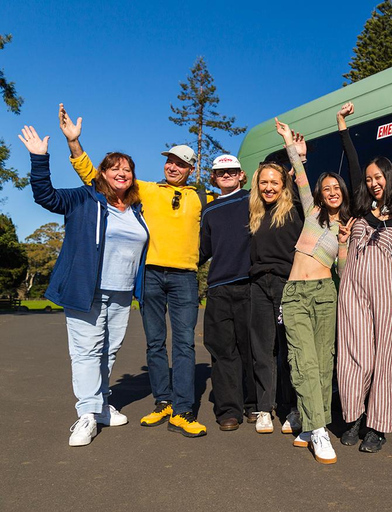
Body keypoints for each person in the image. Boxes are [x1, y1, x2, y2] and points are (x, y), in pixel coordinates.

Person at [59, 104, 210, 438]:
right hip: (151, 275)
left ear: (190, 168)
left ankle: (183, 410)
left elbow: (235, 209)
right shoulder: (146, 190)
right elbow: (98, 178)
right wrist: (74, 144)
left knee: (184, 343)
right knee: (155, 343)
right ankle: (163, 403)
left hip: (185, 277)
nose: (173, 166)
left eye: (181, 163)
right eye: (170, 160)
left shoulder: (202, 197)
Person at [22, 125, 149, 446]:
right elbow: (45, 196)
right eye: (115, 168)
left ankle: (101, 404)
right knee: (86, 351)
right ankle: (87, 414)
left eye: (128, 169)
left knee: (110, 349)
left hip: (121, 293)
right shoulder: (84, 198)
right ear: (102, 174)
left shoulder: (136, 209)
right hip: (85, 288)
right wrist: (39, 158)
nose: (123, 173)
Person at [276, 118, 352, 464]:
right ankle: (320, 432)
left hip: (325, 293)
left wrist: (344, 243)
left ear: (344, 193)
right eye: (328, 188)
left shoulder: (346, 226)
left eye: (337, 187)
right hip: (295, 294)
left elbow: (343, 271)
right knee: (302, 360)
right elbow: (300, 175)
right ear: (321, 193)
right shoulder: (312, 213)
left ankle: (310, 424)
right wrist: (291, 145)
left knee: (323, 364)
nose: (332, 191)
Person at [334, 102, 392, 453]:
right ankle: (351, 418)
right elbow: (351, 163)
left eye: (378, 177)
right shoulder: (361, 212)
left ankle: (377, 427)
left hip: (386, 293)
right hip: (353, 290)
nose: (372, 183)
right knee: (355, 355)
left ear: (389, 178)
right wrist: (342, 126)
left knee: (385, 358)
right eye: (368, 179)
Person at [248, 143, 304, 435]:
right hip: (259, 286)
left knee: (289, 351)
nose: (269, 187)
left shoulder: (294, 211)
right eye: (264, 182)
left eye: (274, 182)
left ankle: (292, 408)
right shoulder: (255, 214)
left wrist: (299, 158)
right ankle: (264, 409)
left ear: (284, 186)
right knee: (263, 350)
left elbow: (306, 189)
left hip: (287, 285)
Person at [199, 154, 257, 431]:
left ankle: (254, 405)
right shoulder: (209, 211)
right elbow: (202, 250)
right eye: (221, 172)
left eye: (232, 171)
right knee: (223, 352)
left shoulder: (252, 200)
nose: (227, 175)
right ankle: (228, 411)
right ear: (214, 176)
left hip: (249, 284)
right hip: (219, 288)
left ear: (240, 175)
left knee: (252, 348)